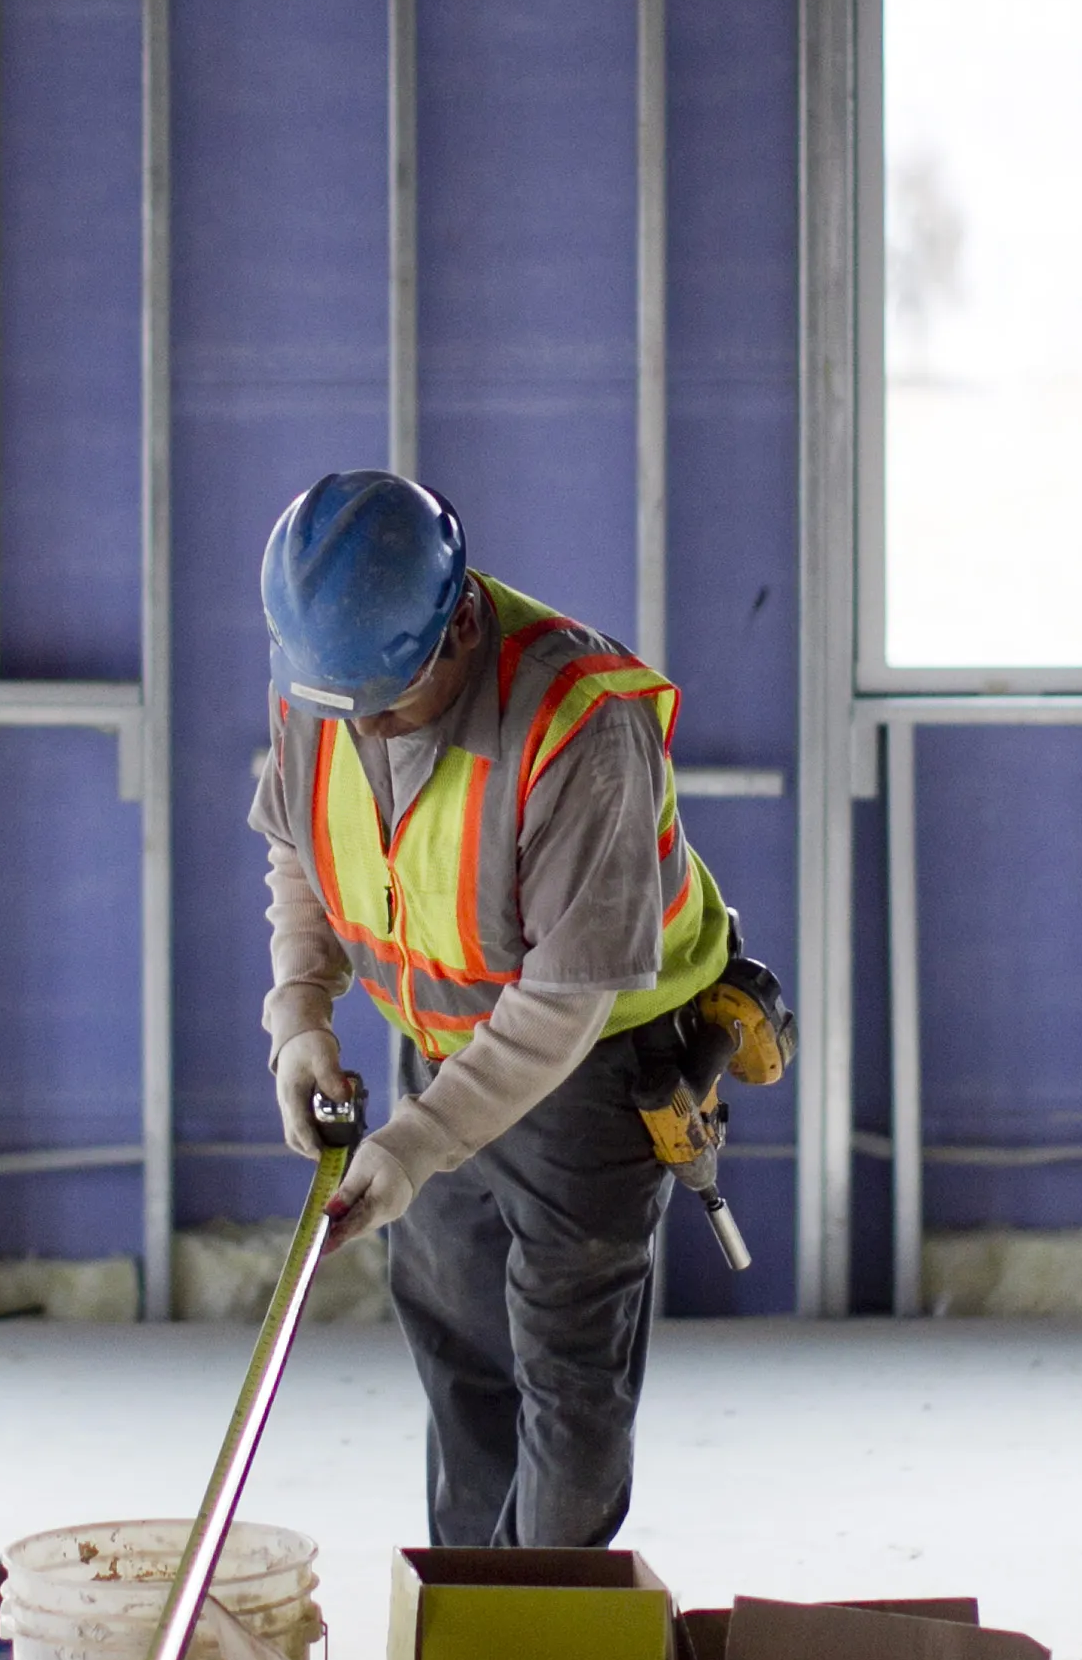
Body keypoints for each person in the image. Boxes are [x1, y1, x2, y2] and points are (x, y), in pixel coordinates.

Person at [249, 469, 737, 1550]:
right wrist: (300, 1015)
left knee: (563, 1377)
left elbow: (567, 997)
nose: (364, 728)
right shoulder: (328, 675)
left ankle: (534, 1648)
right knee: (459, 1352)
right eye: (342, 706)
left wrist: (416, 1143)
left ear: (460, 624)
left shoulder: (579, 728)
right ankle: (462, 1623)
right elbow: (301, 850)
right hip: (447, 1048)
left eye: (388, 700)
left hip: (595, 1070)